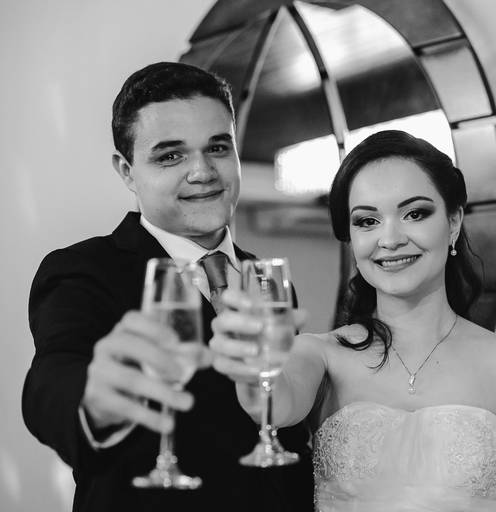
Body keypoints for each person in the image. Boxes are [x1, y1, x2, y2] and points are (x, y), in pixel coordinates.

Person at [211, 130, 496, 511]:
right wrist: (250, 366)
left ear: (454, 221)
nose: (389, 239)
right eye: (367, 221)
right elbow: (274, 405)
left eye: (415, 214)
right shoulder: (322, 354)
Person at [22, 62, 314, 512]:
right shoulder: (82, 270)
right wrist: (92, 403)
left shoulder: (268, 279)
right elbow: (53, 377)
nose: (203, 171)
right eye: (170, 156)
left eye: (218, 147)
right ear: (126, 171)